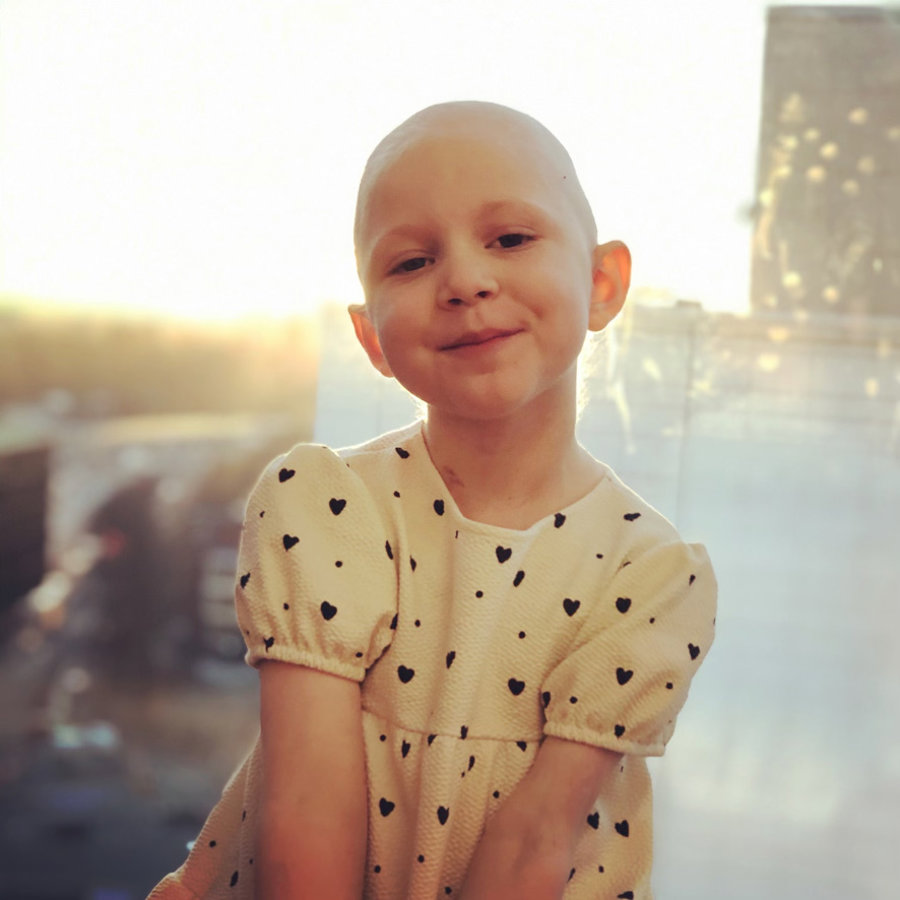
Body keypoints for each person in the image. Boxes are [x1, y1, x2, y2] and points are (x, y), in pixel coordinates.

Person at [149, 100, 716, 900]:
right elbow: (306, 806)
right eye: (412, 262)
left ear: (602, 283)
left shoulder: (650, 573)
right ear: (371, 339)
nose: (465, 281)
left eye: (510, 239)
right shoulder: (326, 505)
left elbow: (537, 840)